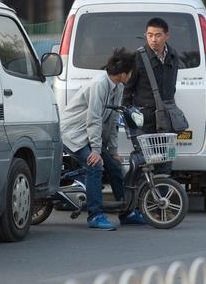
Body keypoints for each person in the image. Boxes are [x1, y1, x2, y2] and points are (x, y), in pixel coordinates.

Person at [60, 48, 145, 230]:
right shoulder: (100, 84)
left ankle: (127, 212)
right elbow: (94, 118)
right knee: (95, 165)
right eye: (130, 72)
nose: (131, 76)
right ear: (123, 73)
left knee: (115, 166)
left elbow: (114, 119)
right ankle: (95, 215)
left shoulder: (118, 87)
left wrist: (112, 151)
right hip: (73, 134)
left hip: (88, 135)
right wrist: (97, 152)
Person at [122, 17, 180, 173]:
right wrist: (129, 117)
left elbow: (171, 87)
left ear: (167, 36)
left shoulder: (173, 56)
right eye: (150, 35)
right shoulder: (139, 57)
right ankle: (138, 195)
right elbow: (127, 90)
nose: (153, 39)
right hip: (144, 118)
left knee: (166, 160)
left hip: (166, 118)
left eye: (158, 35)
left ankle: (161, 196)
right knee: (143, 162)